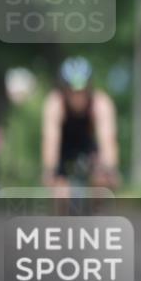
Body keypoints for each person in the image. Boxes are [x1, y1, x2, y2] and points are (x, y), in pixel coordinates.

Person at [42, 57, 121, 192]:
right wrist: (50, 172)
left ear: (89, 88)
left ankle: (97, 210)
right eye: (72, 91)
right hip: (63, 150)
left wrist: (110, 169)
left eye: (82, 90)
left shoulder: (101, 103)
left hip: (88, 148)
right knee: (60, 192)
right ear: (64, 90)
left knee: (103, 183)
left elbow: (108, 140)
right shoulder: (55, 104)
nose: (77, 96)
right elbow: (50, 141)